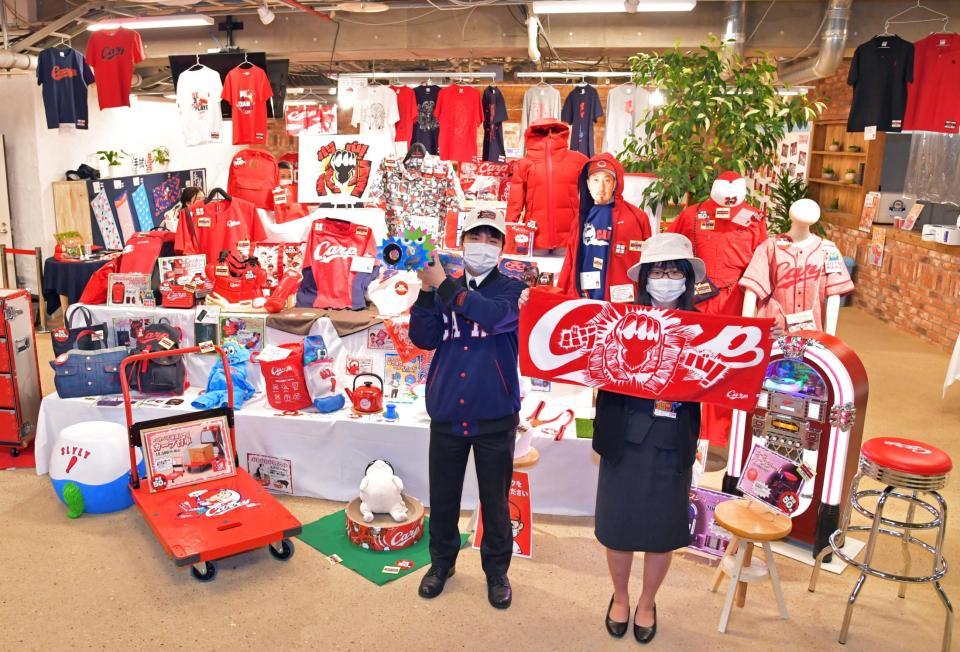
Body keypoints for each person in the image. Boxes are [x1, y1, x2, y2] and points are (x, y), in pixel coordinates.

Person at [409, 209, 525, 609]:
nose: (484, 246)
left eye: (493, 239)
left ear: (502, 248)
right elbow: (423, 337)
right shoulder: (445, 285)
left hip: (495, 415)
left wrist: (442, 285)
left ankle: (497, 571)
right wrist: (428, 289)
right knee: (443, 498)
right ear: (462, 243)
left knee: (496, 501)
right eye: (476, 237)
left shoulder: (513, 289)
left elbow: (493, 316)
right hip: (446, 411)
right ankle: (441, 563)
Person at [593, 232, 705, 644]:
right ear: (644, 278)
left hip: (672, 437)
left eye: (675, 272)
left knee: (662, 529)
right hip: (622, 435)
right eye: (658, 271)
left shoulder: (705, 327)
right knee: (618, 524)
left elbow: (728, 374)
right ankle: (620, 596)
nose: (666, 280)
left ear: (687, 279)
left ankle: (647, 602)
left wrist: (769, 337)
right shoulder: (616, 317)